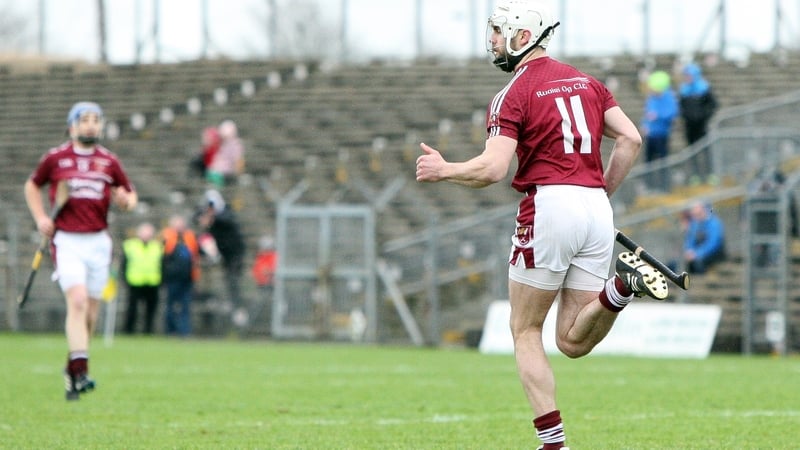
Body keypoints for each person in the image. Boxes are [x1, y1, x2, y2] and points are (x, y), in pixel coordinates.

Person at [414, 2, 668, 449]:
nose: (493, 41)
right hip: (594, 208)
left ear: (522, 35)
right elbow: (631, 137)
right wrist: (603, 189)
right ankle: (620, 290)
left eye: (498, 32)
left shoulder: (514, 93)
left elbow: (492, 170)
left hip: (551, 206)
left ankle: (553, 444)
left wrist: (445, 169)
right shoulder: (588, 83)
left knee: (526, 330)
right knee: (571, 341)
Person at [23, 101, 137, 401]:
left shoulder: (109, 161)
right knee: (77, 300)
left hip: (99, 241)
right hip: (67, 241)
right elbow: (32, 186)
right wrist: (41, 219)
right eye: (84, 120)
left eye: (96, 120)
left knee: (90, 316)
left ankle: (72, 367)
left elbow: (127, 193)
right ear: (72, 126)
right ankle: (82, 370)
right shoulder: (56, 158)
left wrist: (127, 201)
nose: (90, 125)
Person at [196, 189, 247, 327]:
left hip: (234, 255)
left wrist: (210, 218)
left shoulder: (225, 214)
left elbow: (226, 218)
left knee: (233, 279)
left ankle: (237, 307)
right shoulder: (212, 219)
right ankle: (232, 306)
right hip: (225, 255)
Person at [161, 213, 201, 336]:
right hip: (172, 278)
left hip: (187, 278)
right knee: (171, 305)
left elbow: (195, 255)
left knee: (185, 305)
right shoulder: (166, 236)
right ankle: (170, 330)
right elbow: (164, 256)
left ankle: (184, 331)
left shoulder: (190, 237)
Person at [120, 221, 163, 335]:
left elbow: (162, 264)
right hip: (135, 281)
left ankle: (148, 331)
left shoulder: (157, 246)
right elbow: (123, 264)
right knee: (132, 309)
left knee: (150, 310)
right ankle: (129, 331)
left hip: (152, 282)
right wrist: (124, 279)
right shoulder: (130, 245)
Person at [678, 63, 718, 184]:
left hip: (702, 126)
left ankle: (710, 175)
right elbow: (681, 107)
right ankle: (695, 176)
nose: (687, 78)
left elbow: (713, 105)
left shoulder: (704, 88)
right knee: (692, 152)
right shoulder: (684, 90)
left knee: (706, 151)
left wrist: (704, 116)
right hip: (689, 127)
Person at [641, 70, 679, 193]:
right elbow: (647, 114)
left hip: (661, 134)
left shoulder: (669, 98)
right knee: (649, 161)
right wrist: (645, 125)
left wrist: (658, 116)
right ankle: (649, 186)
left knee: (663, 161)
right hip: (650, 134)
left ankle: (665, 186)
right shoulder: (651, 98)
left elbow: (672, 114)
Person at [683, 201, 726, 274]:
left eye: (698, 214)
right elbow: (690, 241)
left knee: (697, 264)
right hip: (696, 255)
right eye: (694, 215)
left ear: (704, 211)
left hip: (713, 255)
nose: (696, 217)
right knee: (674, 264)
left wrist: (697, 254)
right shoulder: (695, 224)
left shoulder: (714, 223)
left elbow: (713, 244)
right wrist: (689, 251)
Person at [206, 120, 244, 188]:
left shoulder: (236, 145)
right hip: (218, 172)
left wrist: (237, 173)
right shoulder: (222, 144)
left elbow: (238, 161)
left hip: (225, 173)